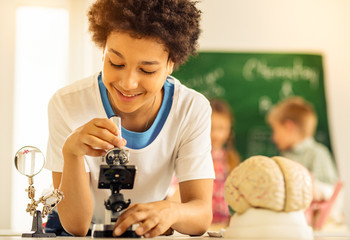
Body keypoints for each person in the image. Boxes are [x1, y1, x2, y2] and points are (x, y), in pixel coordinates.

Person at [44, 0, 215, 237]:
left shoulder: (191, 109)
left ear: (171, 64)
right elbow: (76, 226)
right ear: (102, 48)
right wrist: (71, 153)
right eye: (115, 63)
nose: (128, 83)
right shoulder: (67, 104)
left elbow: (201, 215)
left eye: (147, 70)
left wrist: (172, 212)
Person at [168, 98, 241, 229]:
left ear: (230, 129)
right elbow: (176, 193)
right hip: (195, 225)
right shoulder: (191, 155)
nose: (216, 134)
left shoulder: (230, 158)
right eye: (211, 127)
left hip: (222, 226)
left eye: (222, 128)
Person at [266, 96, 338, 200]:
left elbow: (330, 191)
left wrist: (306, 185)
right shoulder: (284, 156)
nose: (274, 138)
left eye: (275, 130)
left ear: (288, 126)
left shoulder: (317, 153)